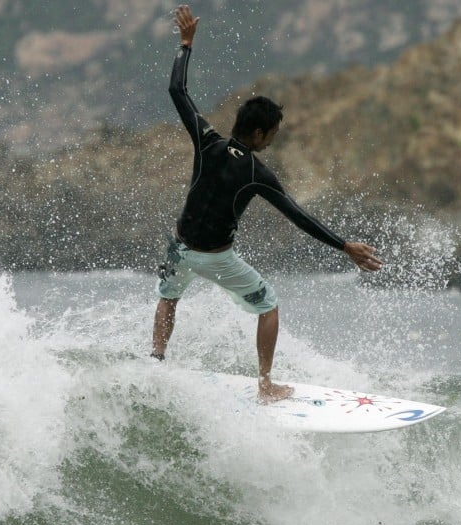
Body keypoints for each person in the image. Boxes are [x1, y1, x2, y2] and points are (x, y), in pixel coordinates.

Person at [151, 4, 384, 403]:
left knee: (169, 297)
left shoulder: (208, 142)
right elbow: (298, 215)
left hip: (179, 248)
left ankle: (155, 360)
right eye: (272, 133)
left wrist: (186, 44)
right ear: (258, 133)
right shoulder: (258, 174)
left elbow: (177, 90)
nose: (273, 139)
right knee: (269, 306)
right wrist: (345, 246)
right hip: (215, 258)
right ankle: (266, 385)